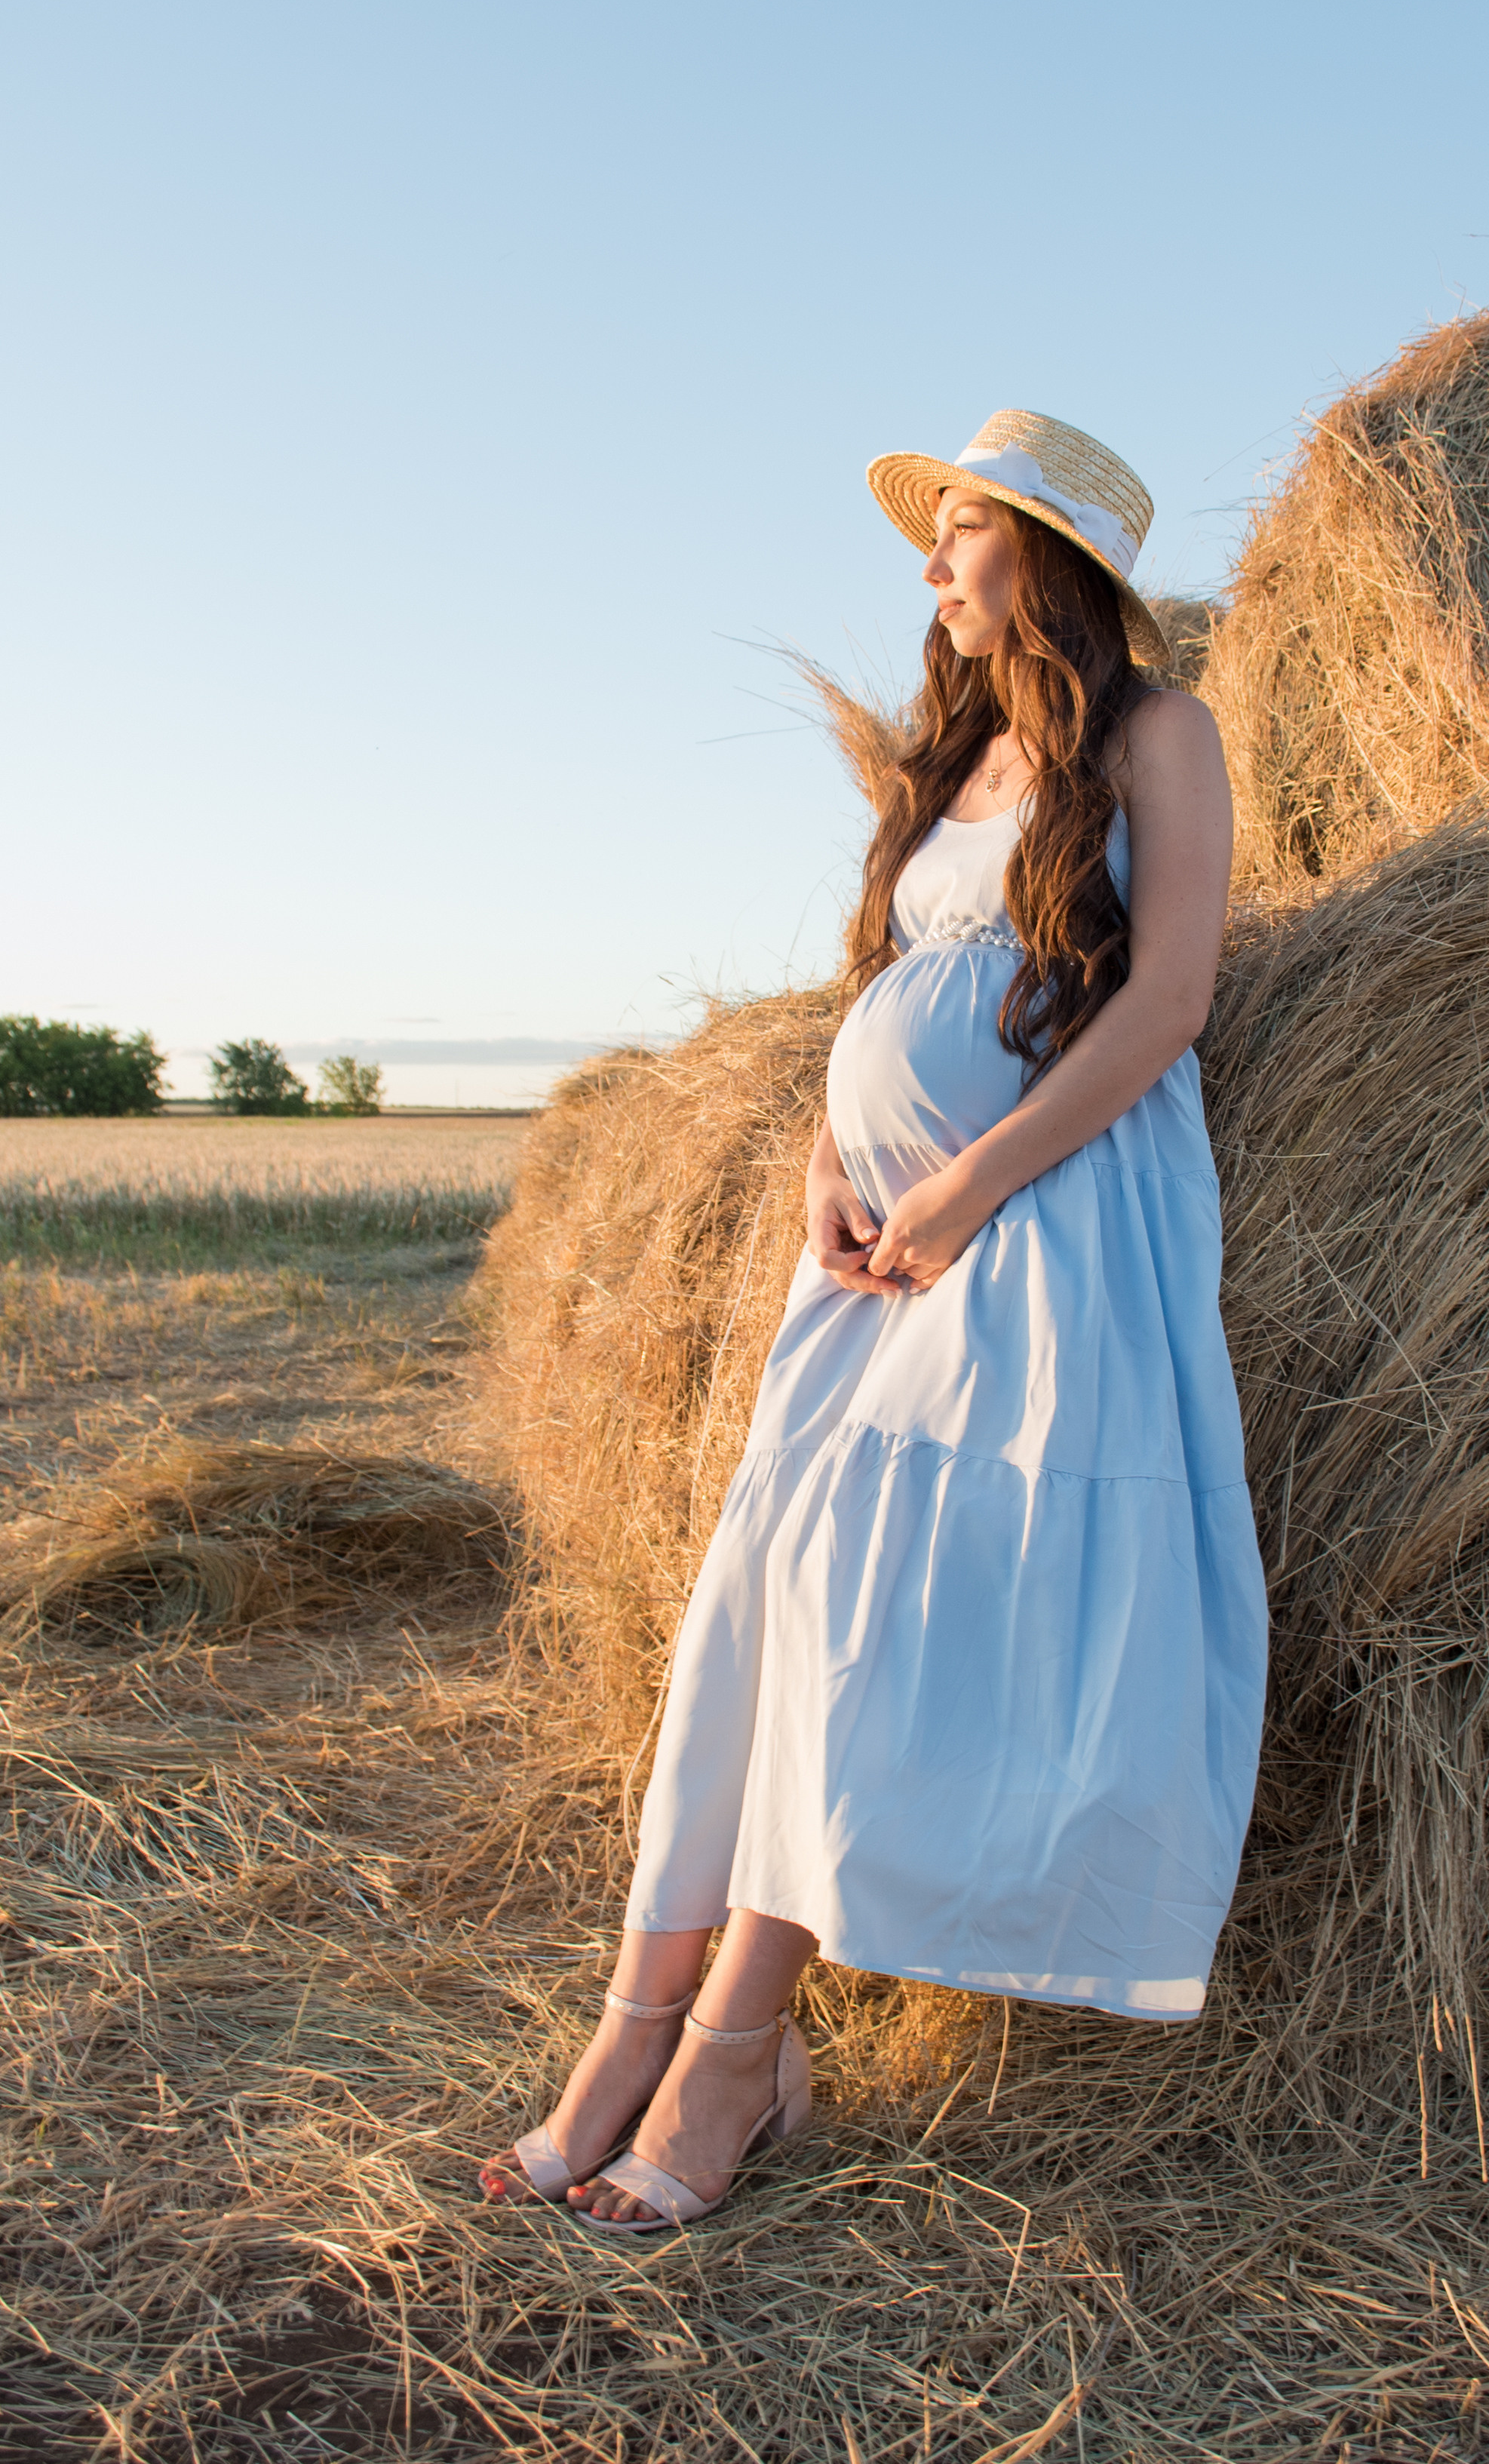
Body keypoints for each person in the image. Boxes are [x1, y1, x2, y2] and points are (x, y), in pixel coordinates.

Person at [480, 410, 1268, 2232]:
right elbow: (888, 989)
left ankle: (735, 2053)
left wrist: (968, 1183)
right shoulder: (966, 752)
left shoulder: (1160, 736)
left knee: (863, 1615)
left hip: (1052, 1225)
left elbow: (1166, 1006)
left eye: (962, 527)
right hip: (863, 1249)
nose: (931, 561)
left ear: (1047, 555)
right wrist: (829, 1165)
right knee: (760, 1606)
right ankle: (638, 2029)